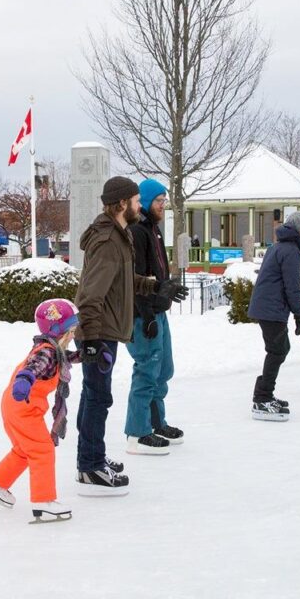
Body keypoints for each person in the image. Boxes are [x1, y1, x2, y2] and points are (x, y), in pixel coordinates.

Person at [74, 176, 188, 494]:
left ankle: (92, 458)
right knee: (97, 398)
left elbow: (124, 279)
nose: (140, 205)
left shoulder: (117, 235)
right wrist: (92, 339)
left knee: (94, 397)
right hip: (100, 331)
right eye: (137, 201)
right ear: (122, 203)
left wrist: (156, 286)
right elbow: (89, 296)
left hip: (105, 329)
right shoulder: (109, 240)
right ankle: (90, 467)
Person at [0, 299, 81, 523]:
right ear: (58, 330)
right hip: (23, 407)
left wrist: (88, 355)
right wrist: (24, 380)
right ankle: (43, 503)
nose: (74, 335)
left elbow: (64, 358)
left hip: (14, 406)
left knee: (24, 450)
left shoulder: (53, 349)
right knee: (42, 450)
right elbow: (34, 366)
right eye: (71, 331)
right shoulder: (47, 352)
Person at [125, 179, 184, 455]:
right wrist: (146, 313)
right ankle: (137, 433)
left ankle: (157, 422)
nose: (163, 205)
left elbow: (156, 274)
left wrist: (168, 288)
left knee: (163, 370)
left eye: (164, 201)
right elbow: (134, 279)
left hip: (157, 312)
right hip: (142, 315)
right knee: (148, 369)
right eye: (159, 201)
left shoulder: (153, 230)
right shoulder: (137, 231)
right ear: (147, 202)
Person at [247, 211, 300, 421]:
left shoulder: (279, 247)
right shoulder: (290, 251)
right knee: (278, 350)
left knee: (278, 349)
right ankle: (262, 398)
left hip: (269, 307)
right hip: (271, 308)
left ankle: (264, 393)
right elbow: (291, 287)